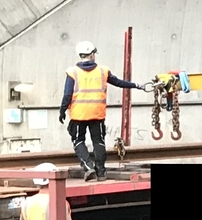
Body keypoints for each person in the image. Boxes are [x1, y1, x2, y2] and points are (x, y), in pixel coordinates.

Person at [60, 40, 141, 181]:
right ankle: (101, 172)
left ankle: (88, 167)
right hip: (97, 114)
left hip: (79, 115)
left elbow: (67, 95)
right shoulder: (103, 71)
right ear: (91, 55)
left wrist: (62, 111)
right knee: (98, 141)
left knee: (78, 141)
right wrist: (136, 85)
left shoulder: (73, 72)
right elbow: (119, 82)